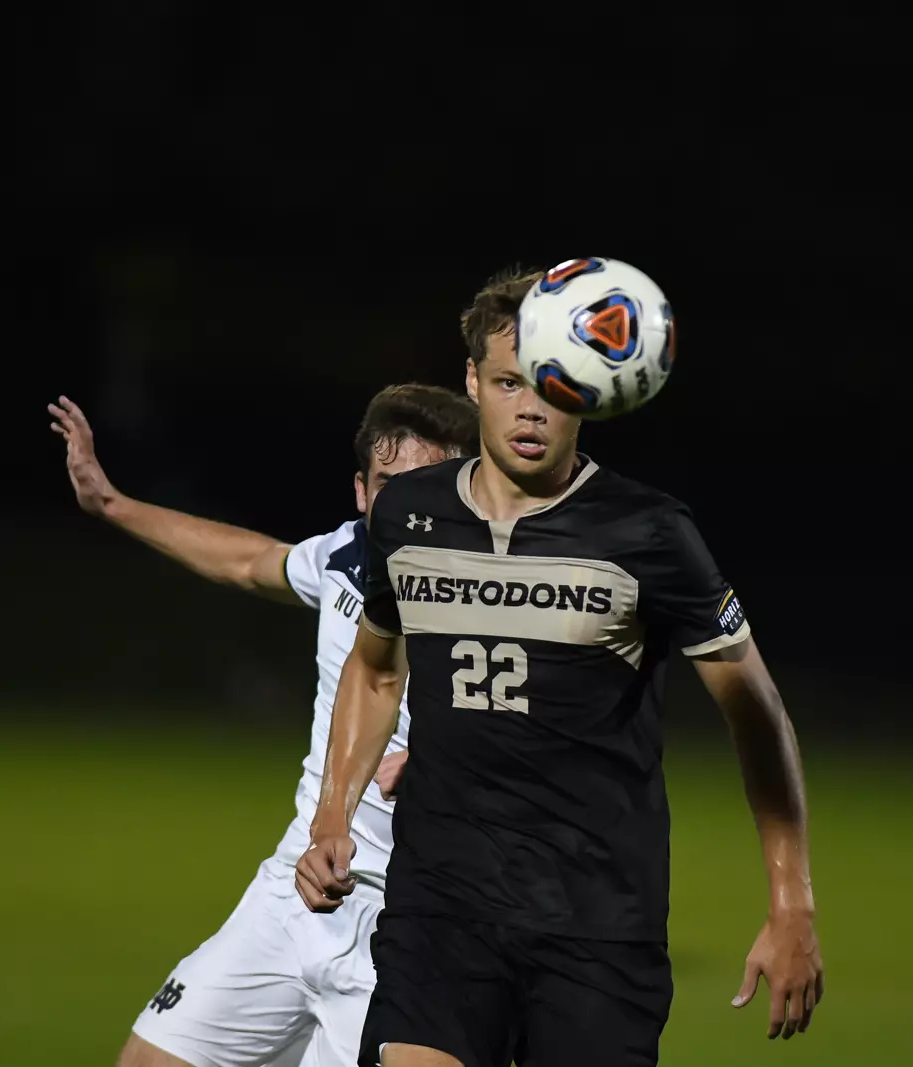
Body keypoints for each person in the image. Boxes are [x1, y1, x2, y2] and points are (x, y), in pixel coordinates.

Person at [295, 267, 826, 1067]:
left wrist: (792, 902)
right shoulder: (408, 515)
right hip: (441, 908)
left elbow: (756, 711)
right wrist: (331, 815)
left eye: (554, 384)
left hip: (597, 923)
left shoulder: (648, 533)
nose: (531, 408)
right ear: (472, 381)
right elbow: (375, 670)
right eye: (509, 382)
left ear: (593, 392)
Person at [47, 383, 480, 1067]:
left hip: (414, 923)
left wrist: (452, 757)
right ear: (362, 492)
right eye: (390, 486)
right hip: (295, 890)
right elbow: (248, 561)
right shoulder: (345, 556)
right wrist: (111, 503)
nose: (409, 507)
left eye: (429, 487)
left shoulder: (499, 597)